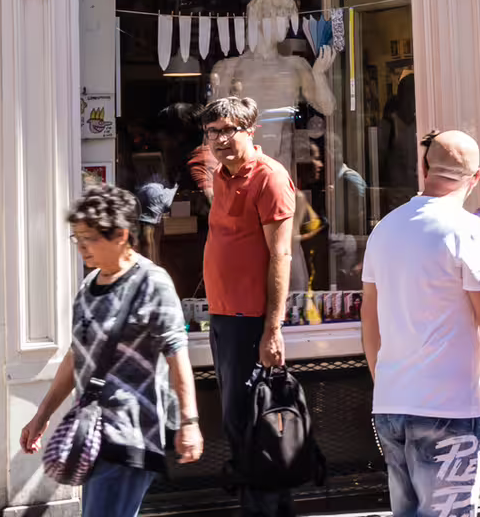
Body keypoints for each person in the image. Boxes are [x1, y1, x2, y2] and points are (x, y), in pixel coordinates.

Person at [20, 185, 204, 517]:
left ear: (121, 235)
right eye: (77, 239)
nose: (82, 248)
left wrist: (189, 422)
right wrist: (42, 415)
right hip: (93, 432)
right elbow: (76, 355)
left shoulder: (153, 283)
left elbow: (178, 358)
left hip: (133, 432)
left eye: (90, 238)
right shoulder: (88, 287)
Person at [361, 129, 480, 517]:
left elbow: (369, 317)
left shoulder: (385, 228)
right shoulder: (470, 230)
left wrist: (385, 379)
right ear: (475, 179)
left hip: (392, 403)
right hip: (447, 407)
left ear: (424, 168)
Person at [199, 96, 297, 517]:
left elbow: (281, 257)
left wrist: (272, 330)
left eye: (227, 130)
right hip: (223, 317)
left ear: (249, 130)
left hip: (251, 320)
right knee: (238, 423)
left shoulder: (270, 177)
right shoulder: (221, 174)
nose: (219, 139)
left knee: (256, 425)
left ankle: (268, 511)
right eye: (212, 131)